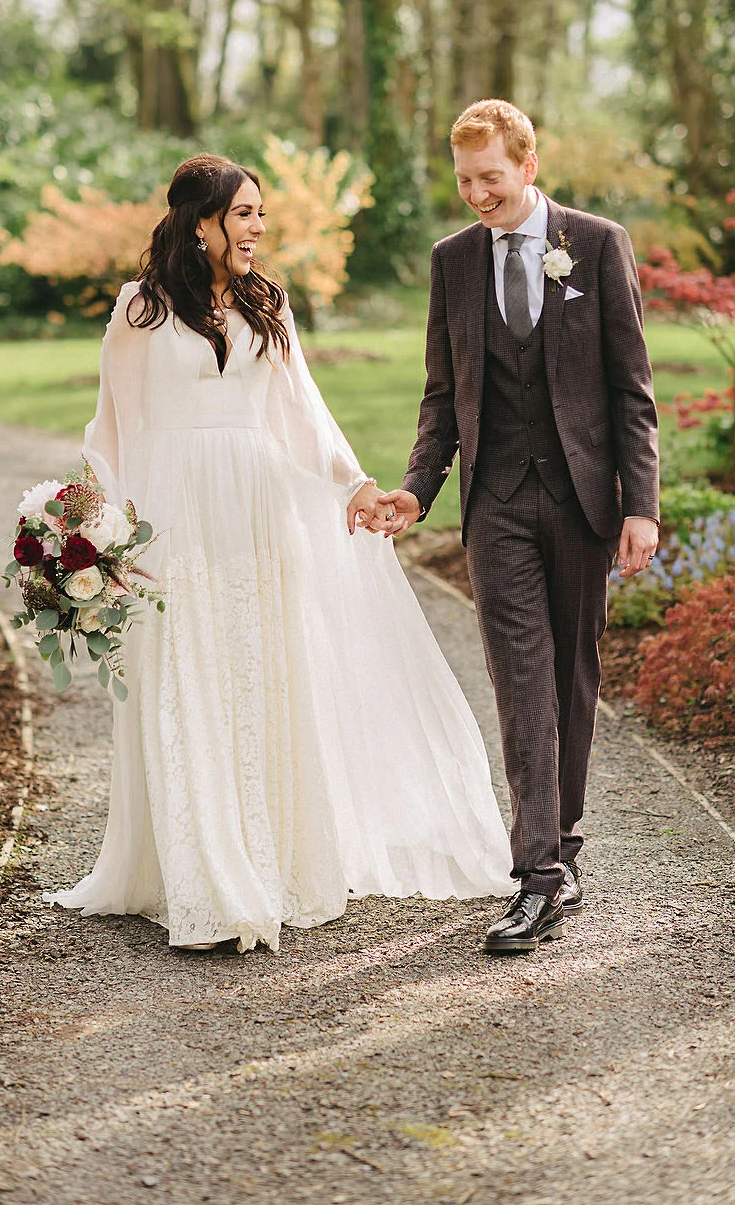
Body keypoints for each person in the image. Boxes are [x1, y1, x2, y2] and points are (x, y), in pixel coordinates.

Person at [44, 153, 514, 952]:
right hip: (176, 515)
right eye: (243, 214)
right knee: (189, 679)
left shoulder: (270, 304)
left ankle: (270, 861)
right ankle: (207, 876)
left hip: (259, 512)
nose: (258, 227)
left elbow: (302, 416)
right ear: (201, 222)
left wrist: (354, 484)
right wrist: (103, 533)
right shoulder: (142, 309)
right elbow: (111, 430)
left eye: (260, 214)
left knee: (261, 676)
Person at [381, 100, 660, 954]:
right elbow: (442, 396)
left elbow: (630, 392)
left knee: (573, 676)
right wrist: (415, 491)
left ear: (526, 166)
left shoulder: (598, 243)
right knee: (520, 679)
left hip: (580, 503)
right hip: (495, 503)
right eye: (464, 180)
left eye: (489, 178)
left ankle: (561, 844)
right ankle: (536, 873)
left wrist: (640, 506)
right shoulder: (451, 262)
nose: (475, 195)